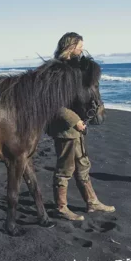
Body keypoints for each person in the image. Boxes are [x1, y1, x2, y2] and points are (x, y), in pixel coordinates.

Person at [48, 32, 115, 221]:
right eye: (79, 46)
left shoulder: (74, 68)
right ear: (70, 46)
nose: (82, 50)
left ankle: (92, 202)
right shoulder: (57, 70)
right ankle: (61, 207)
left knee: (83, 164)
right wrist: (75, 120)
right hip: (64, 127)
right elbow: (54, 103)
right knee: (65, 168)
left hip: (77, 127)